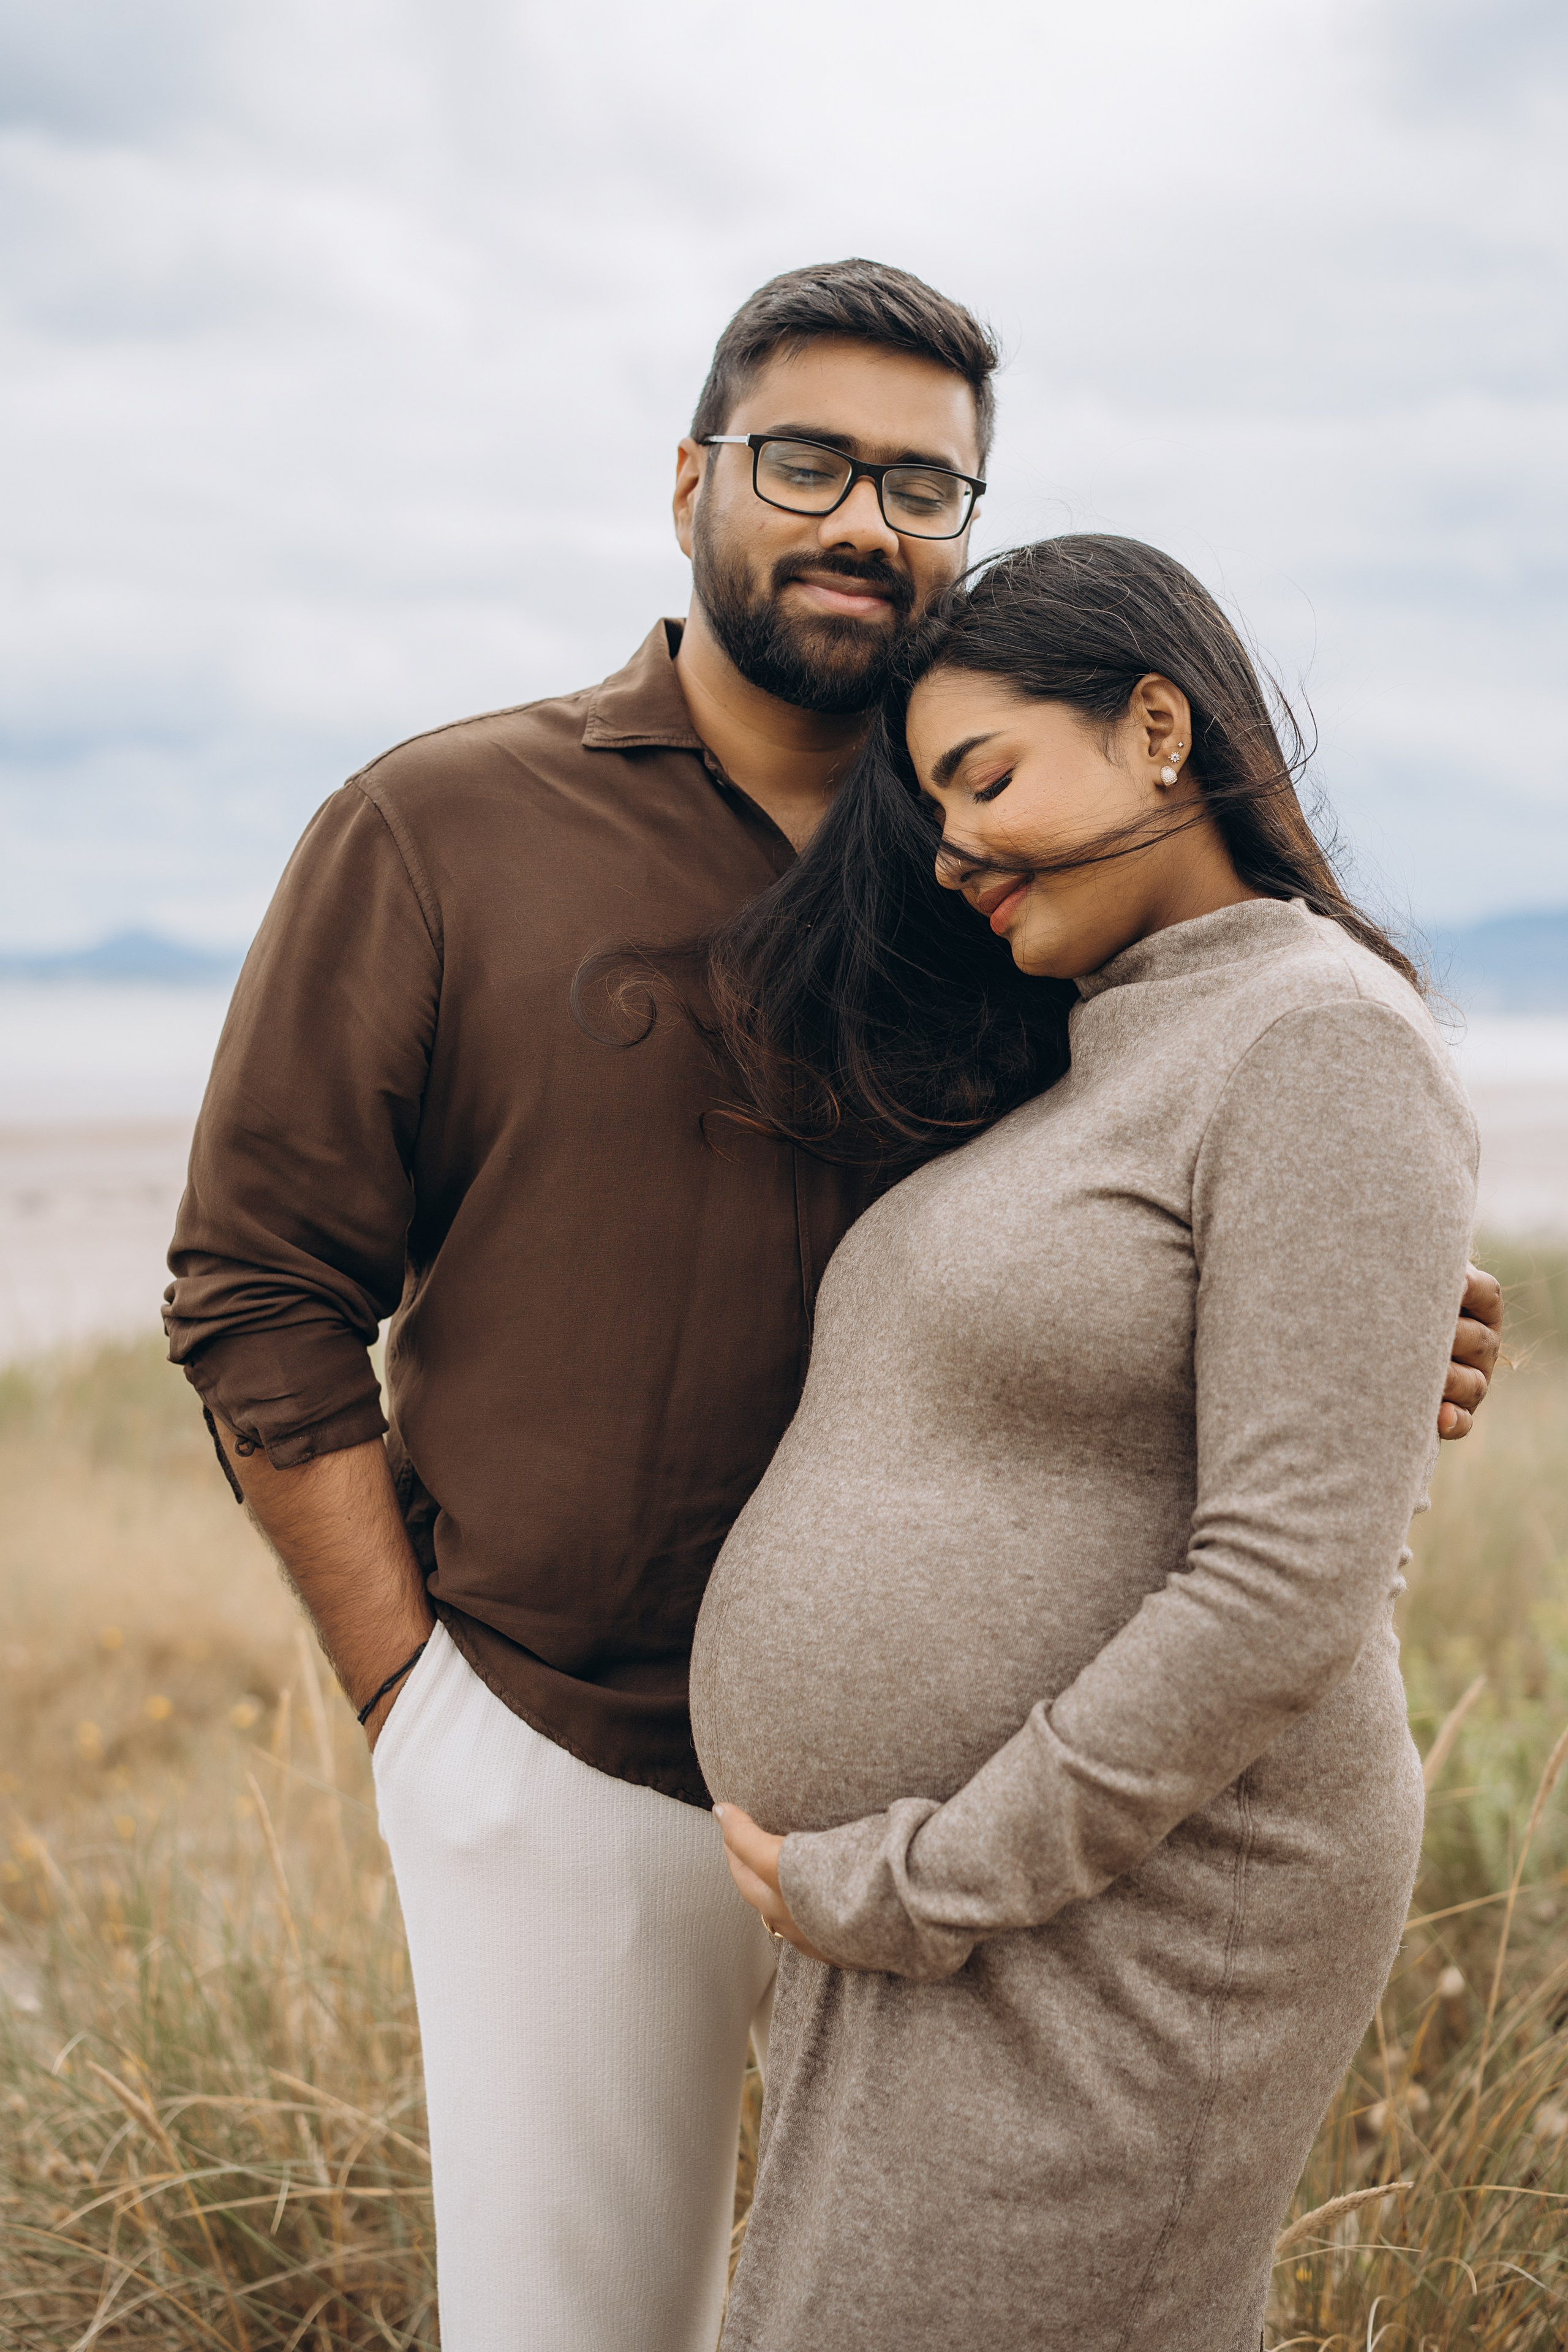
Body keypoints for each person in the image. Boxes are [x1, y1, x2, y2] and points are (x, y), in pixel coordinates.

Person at [163, 260, 1498, 2352]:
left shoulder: (998, 876)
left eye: (924, 484)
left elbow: (1204, 1195)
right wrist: (411, 1696)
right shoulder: (443, 825)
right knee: (580, 2326)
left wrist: (1394, 1319)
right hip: (560, 1735)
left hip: (993, 1829)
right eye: (808, 463)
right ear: (693, 480)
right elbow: (258, 1287)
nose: (866, 520)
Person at [690, 535, 1482, 2352]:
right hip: (985, 1908)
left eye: (985, 780)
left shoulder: (1314, 1035)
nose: (955, 850)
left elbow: (1287, 1583)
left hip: (1120, 1919)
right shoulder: (1118, 1045)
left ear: (1156, 729)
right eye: (932, 810)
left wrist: (921, 1883)